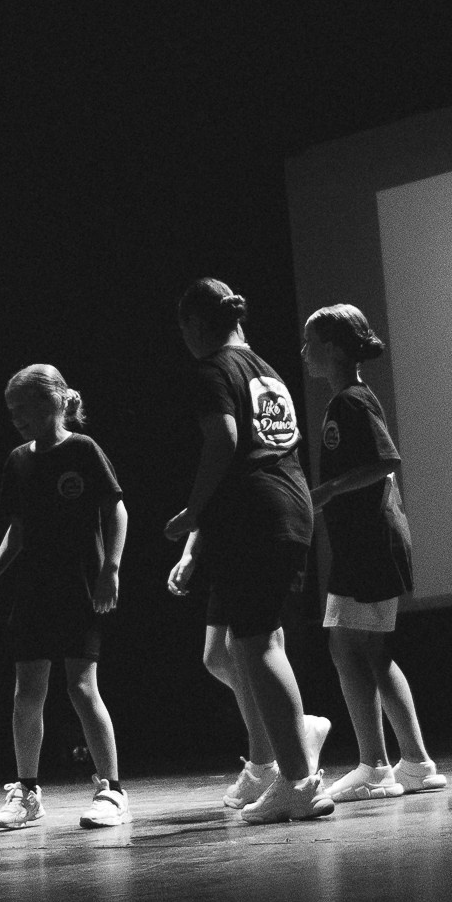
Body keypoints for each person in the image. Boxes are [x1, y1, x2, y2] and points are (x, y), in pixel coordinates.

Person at [164, 279, 334, 823]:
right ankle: (291, 756)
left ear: (196, 324)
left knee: (255, 644)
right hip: (290, 506)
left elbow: (224, 441)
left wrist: (193, 510)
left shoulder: (213, 370)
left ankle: (299, 780)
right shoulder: (268, 370)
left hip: (255, 513)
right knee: (262, 640)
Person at [0, 364, 130, 830]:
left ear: (55, 401)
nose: (17, 417)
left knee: (82, 686)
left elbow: (115, 507)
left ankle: (111, 789)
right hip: (32, 589)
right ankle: (27, 791)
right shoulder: (19, 459)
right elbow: (17, 528)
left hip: (79, 583)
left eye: (24, 407)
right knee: (27, 691)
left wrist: (111, 569)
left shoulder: (82, 449)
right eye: (11, 410)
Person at [300, 305, 446, 803]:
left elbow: (387, 460)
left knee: (349, 648)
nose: (304, 352)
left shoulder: (353, 402)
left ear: (336, 348)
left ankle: (378, 764)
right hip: (364, 544)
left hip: (371, 543)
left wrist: (328, 490)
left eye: (311, 343)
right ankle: (412, 762)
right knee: (367, 653)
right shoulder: (345, 402)